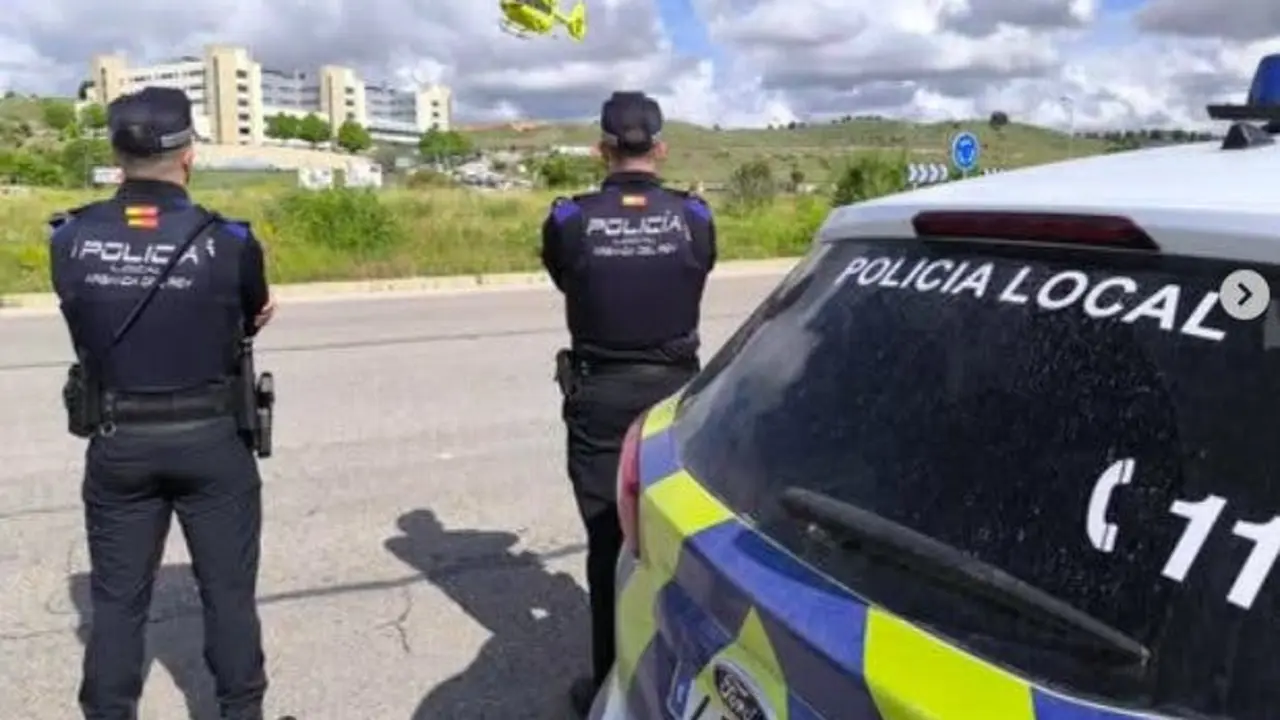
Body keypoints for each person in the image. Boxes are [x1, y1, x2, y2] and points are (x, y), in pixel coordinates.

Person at [47, 86, 280, 720]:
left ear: (116, 156)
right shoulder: (229, 240)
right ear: (190, 155)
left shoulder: (68, 238)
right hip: (211, 438)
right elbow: (250, 316)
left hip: (119, 438)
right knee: (228, 595)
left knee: (118, 601)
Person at [541, 90, 717, 716]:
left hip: (600, 393)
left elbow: (567, 276)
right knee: (674, 540)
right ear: (661, 148)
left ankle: (610, 684)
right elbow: (698, 272)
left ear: (602, 149)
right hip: (675, 395)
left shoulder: (569, 219)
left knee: (604, 543)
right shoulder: (695, 217)